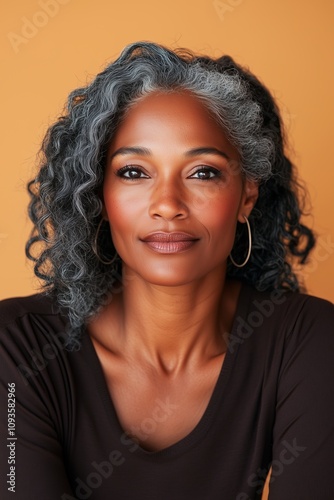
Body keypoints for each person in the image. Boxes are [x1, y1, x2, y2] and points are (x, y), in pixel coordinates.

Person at [0, 41, 333, 500]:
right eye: (135, 172)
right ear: (99, 195)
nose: (168, 206)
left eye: (202, 172)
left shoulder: (310, 341)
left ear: (247, 197)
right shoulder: (15, 348)